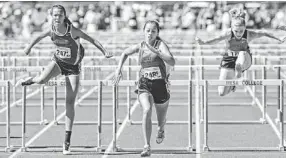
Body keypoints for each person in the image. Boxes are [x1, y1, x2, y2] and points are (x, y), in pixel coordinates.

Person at [16, 5, 112, 155]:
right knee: (41, 80)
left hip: (73, 67)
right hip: (58, 62)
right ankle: (32, 79)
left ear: (64, 16)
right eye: (54, 15)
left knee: (69, 102)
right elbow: (37, 36)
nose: (57, 17)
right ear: (51, 16)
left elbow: (91, 39)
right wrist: (28, 48)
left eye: (59, 15)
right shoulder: (51, 29)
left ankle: (66, 142)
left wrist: (105, 51)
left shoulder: (72, 30)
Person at [113, 20, 175, 157]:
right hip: (144, 84)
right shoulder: (140, 46)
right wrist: (118, 69)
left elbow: (172, 61)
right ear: (143, 32)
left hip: (160, 86)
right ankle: (147, 146)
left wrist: (158, 53)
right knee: (147, 109)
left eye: (153, 31)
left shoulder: (161, 45)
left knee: (160, 120)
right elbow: (125, 53)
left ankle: (161, 129)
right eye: (148, 30)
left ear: (157, 33)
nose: (150, 34)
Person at [195, 8, 286, 96]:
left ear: (245, 28)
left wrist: (279, 38)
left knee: (241, 53)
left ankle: (238, 70)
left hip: (244, 59)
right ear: (231, 28)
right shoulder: (228, 34)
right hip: (229, 59)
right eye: (236, 31)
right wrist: (204, 43)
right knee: (222, 92)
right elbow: (216, 40)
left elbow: (264, 32)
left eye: (241, 31)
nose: (239, 34)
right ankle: (232, 83)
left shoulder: (249, 34)